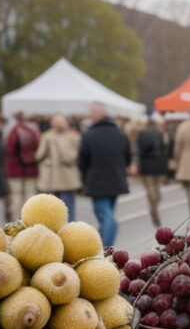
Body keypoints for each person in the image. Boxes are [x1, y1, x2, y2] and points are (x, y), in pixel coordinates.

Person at [78, 102, 131, 247]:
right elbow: (128, 157)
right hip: (116, 180)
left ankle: (105, 248)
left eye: (92, 113)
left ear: (98, 115)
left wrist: (85, 178)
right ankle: (103, 245)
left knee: (105, 216)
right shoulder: (120, 134)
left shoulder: (89, 135)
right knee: (107, 214)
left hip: (97, 182)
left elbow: (82, 161)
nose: (90, 116)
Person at [35, 114, 82, 222]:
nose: (58, 125)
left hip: (67, 178)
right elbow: (39, 156)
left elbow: (71, 158)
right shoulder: (47, 136)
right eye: (55, 122)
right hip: (50, 179)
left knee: (68, 207)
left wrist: (60, 146)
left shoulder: (74, 137)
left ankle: (69, 229)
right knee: (50, 209)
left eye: (60, 122)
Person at [4, 111, 39, 222]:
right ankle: (29, 221)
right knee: (30, 197)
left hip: (15, 170)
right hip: (31, 169)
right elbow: (38, 146)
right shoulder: (32, 131)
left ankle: (16, 223)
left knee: (16, 198)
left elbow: (9, 149)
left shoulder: (13, 132)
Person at [135, 114, 168, 226]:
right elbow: (164, 149)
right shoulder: (159, 133)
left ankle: (153, 210)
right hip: (158, 166)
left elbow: (140, 151)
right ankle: (154, 208)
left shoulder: (142, 133)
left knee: (150, 190)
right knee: (157, 190)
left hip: (147, 166)